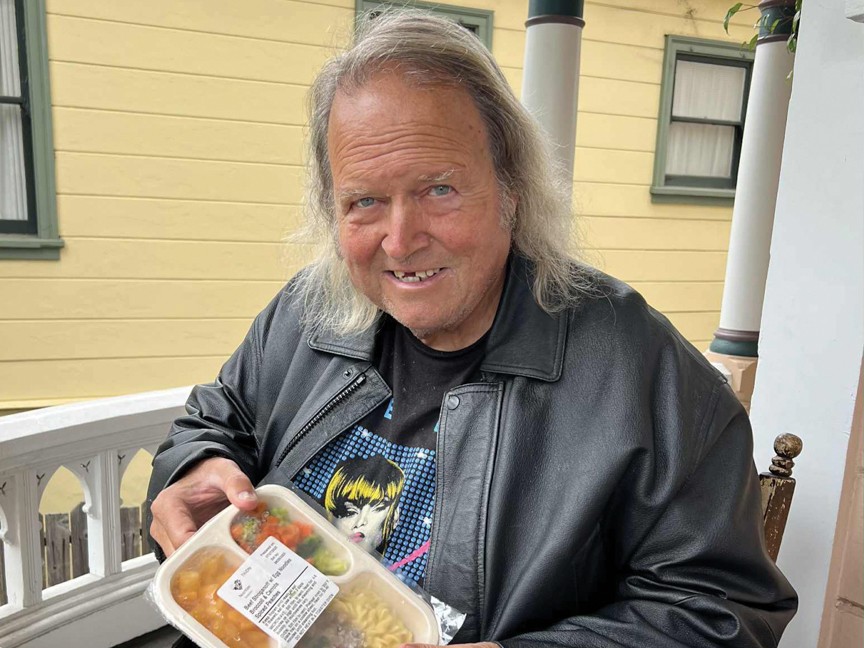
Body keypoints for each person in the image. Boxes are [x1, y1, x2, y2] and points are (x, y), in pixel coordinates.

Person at [147, 9, 797, 648]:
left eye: (439, 189)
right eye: (364, 201)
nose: (400, 240)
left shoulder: (645, 373)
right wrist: (196, 466)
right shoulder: (306, 311)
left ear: (510, 188)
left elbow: (720, 612)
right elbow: (219, 418)